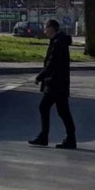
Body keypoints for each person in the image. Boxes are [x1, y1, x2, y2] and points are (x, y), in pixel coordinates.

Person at [29, 19, 77, 149]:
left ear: (52, 28)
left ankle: (45, 137)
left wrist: (40, 77)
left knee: (46, 107)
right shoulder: (59, 41)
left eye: (46, 28)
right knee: (62, 111)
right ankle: (69, 138)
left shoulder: (58, 43)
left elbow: (52, 64)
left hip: (55, 83)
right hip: (59, 83)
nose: (44, 31)